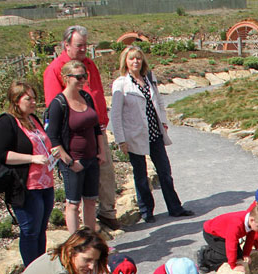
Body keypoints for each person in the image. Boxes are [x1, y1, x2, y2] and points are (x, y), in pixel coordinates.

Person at [44, 25, 119, 231]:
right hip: (73, 143)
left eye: (86, 45)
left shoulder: (89, 65)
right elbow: (54, 118)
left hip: (94, 130)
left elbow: (96, 94)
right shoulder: (54, 70)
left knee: (102, 179)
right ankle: (78, 240)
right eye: (79, 45)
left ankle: (105, 215)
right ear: (66, 45)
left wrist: (101, 130)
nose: (84, 49)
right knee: (74, 199)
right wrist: (66, 157)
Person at [110, 45, 192, 223]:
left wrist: (163, 121)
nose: (135, 61)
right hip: (134, 134)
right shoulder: (121, 84)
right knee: (140, 174)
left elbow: (159, 102)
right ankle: (147, 211)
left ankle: (175, 207)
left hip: (154, 132)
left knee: (165, 171)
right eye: (131, 58)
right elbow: (115, 115)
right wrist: (121, 140)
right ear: (125, 61)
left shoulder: (149, 78)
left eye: (138, 58)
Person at [0, 81, 55, 266]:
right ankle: (31, 271)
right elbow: (1, 154)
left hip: (46, 183)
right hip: (26, 185)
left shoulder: (33, 118)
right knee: (30, 230)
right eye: (29, 98)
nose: (34, 102)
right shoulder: (7, 122)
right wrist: (32, 158)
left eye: (34, 98)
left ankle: (40, 267)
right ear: (16, 100)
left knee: (42, 228)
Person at [46, 60, 106, 234]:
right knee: (73, 204)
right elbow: (53, 138)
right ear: (66, 78)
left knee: (90, 200)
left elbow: (96, 127)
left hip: (91, 159)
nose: (82, 80)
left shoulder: (86, 97)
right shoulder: (59, 104)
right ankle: (75, 244)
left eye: (84, 76)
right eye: (78, 77)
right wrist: (70, 162)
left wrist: (101, 151)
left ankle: (90, 240)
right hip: (73, 160)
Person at [198, 200, 258, 273]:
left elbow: (250, 239)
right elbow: (231, 244)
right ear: (252, 220)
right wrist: (233, 265)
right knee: (227, 256)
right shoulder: (236, 225)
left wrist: (246, 254)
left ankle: (215, 251)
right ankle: (204, 255)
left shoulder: (252, 223)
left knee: (238, 256)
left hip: (225, 234)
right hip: (213, 234)